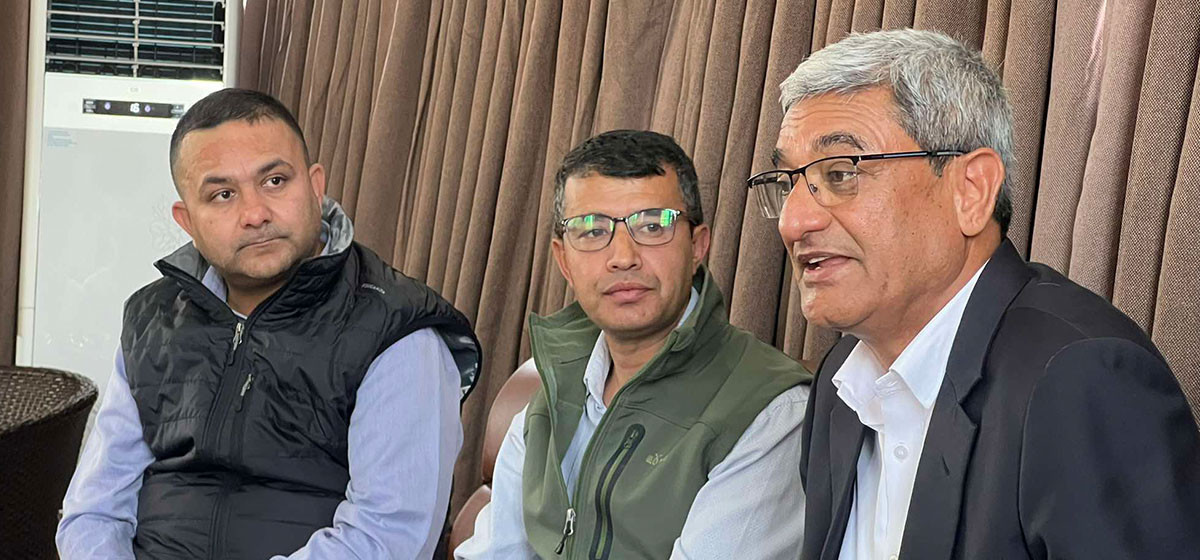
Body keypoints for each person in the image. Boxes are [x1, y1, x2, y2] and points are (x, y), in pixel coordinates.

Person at [745, 29, 1200, 559]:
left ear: (971, 190)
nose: (794, 221)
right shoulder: (841, 379)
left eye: (841, 174)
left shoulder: (1082, 377)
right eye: (788, 183)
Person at [56, 88, 482, 559]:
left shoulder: (397, 330)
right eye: (222, 195)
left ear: (316, 187)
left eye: (275, 181)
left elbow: (387, 538)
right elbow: (93, 511)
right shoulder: (152, 319)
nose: (255, 214)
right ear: (187, 221)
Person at [456, 130, 812, 560]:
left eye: (652, 226)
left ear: (697, 246)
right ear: (564, 260)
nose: (622, 257)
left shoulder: (771, 411)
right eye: (592, 230)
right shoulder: (548, 392)